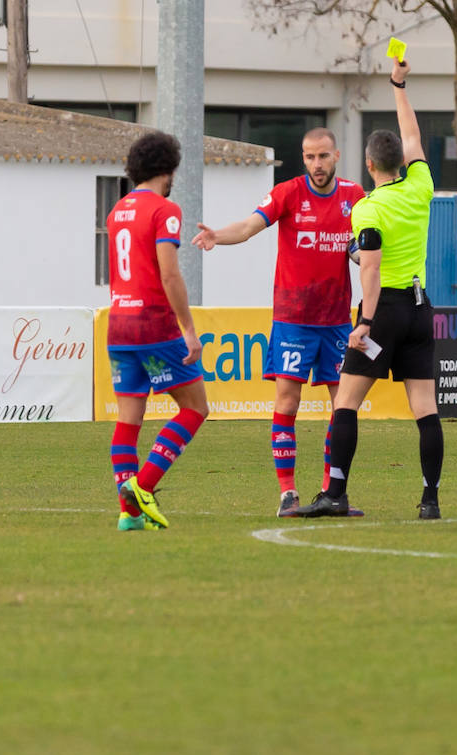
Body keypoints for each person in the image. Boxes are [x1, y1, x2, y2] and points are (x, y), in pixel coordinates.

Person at [294, 56, 443, 520]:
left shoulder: (367, 208)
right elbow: (414, 136)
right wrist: (399, 85)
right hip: (421, 308)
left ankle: (335, 493)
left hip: (387, 310)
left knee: (346, 401)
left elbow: (371, 270)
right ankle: (430, 500)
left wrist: (364, 323)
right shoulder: (421, 186)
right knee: (425, 409)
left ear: (368, 163)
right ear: (402, 161)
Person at [191, 128, 367, 517]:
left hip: (338, 320)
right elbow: (251, 226)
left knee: (344, 408)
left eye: (322, 157)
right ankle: (288, 493)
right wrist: (217, 236)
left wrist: (368, 260)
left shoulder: (355, 197)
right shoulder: (288, 193)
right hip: (293, 319)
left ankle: (331, 489)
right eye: (309, 157)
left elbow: (361, 249)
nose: (316, 165)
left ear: (336, 155)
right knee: (288, 401)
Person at [106, 130, 210, 532]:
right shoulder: (165, 209)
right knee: (195, 407)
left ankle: (129, 515)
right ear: (168, 169)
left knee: (129, 419)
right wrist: (189, 329)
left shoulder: (118, 210)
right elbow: (169, 273)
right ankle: (143, 487)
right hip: (153, 324)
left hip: (118, 325)